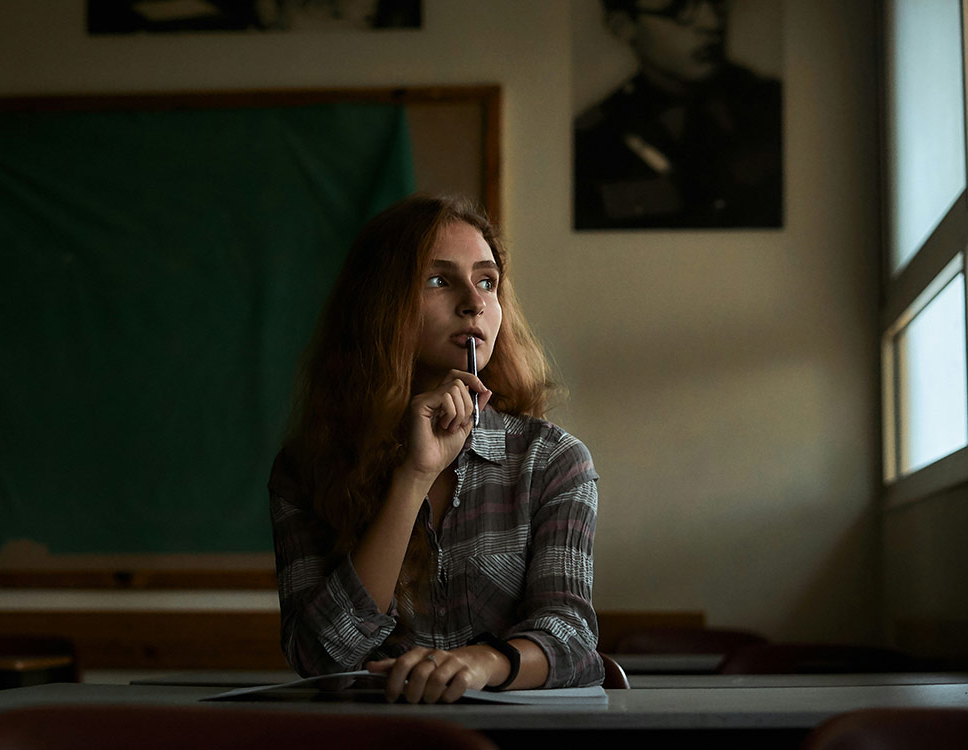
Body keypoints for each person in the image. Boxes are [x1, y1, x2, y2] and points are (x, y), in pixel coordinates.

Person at [268, 194, 603, 704]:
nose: (474, 302)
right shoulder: (305, 469)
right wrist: (414, 476)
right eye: (439, 280)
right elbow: (321, 659)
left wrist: (481, 663)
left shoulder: (552, 462)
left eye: (487, 281)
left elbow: (575, 642)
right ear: (380, 305)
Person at [574, 0, 783, 229]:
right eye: (678, 8)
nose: (712, 23)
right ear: (623, 26)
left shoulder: (775, 107)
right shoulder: (592, 141)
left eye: (717, 1)